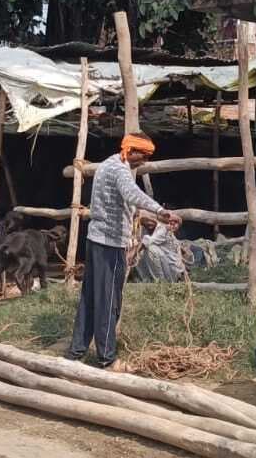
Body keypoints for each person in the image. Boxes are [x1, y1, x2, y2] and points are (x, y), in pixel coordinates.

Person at [66, 133, 181, 371]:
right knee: (109, 300)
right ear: (131, 150)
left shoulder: (109, 165)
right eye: (143, 155)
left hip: (96, 239)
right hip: (110, 243)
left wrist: (149, 217)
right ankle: (106, 358)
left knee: (91, 297)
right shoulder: (119, 170)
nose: (145, 161)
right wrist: (161, 211)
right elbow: (132, 194)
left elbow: (124, 202)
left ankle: (76, 351)